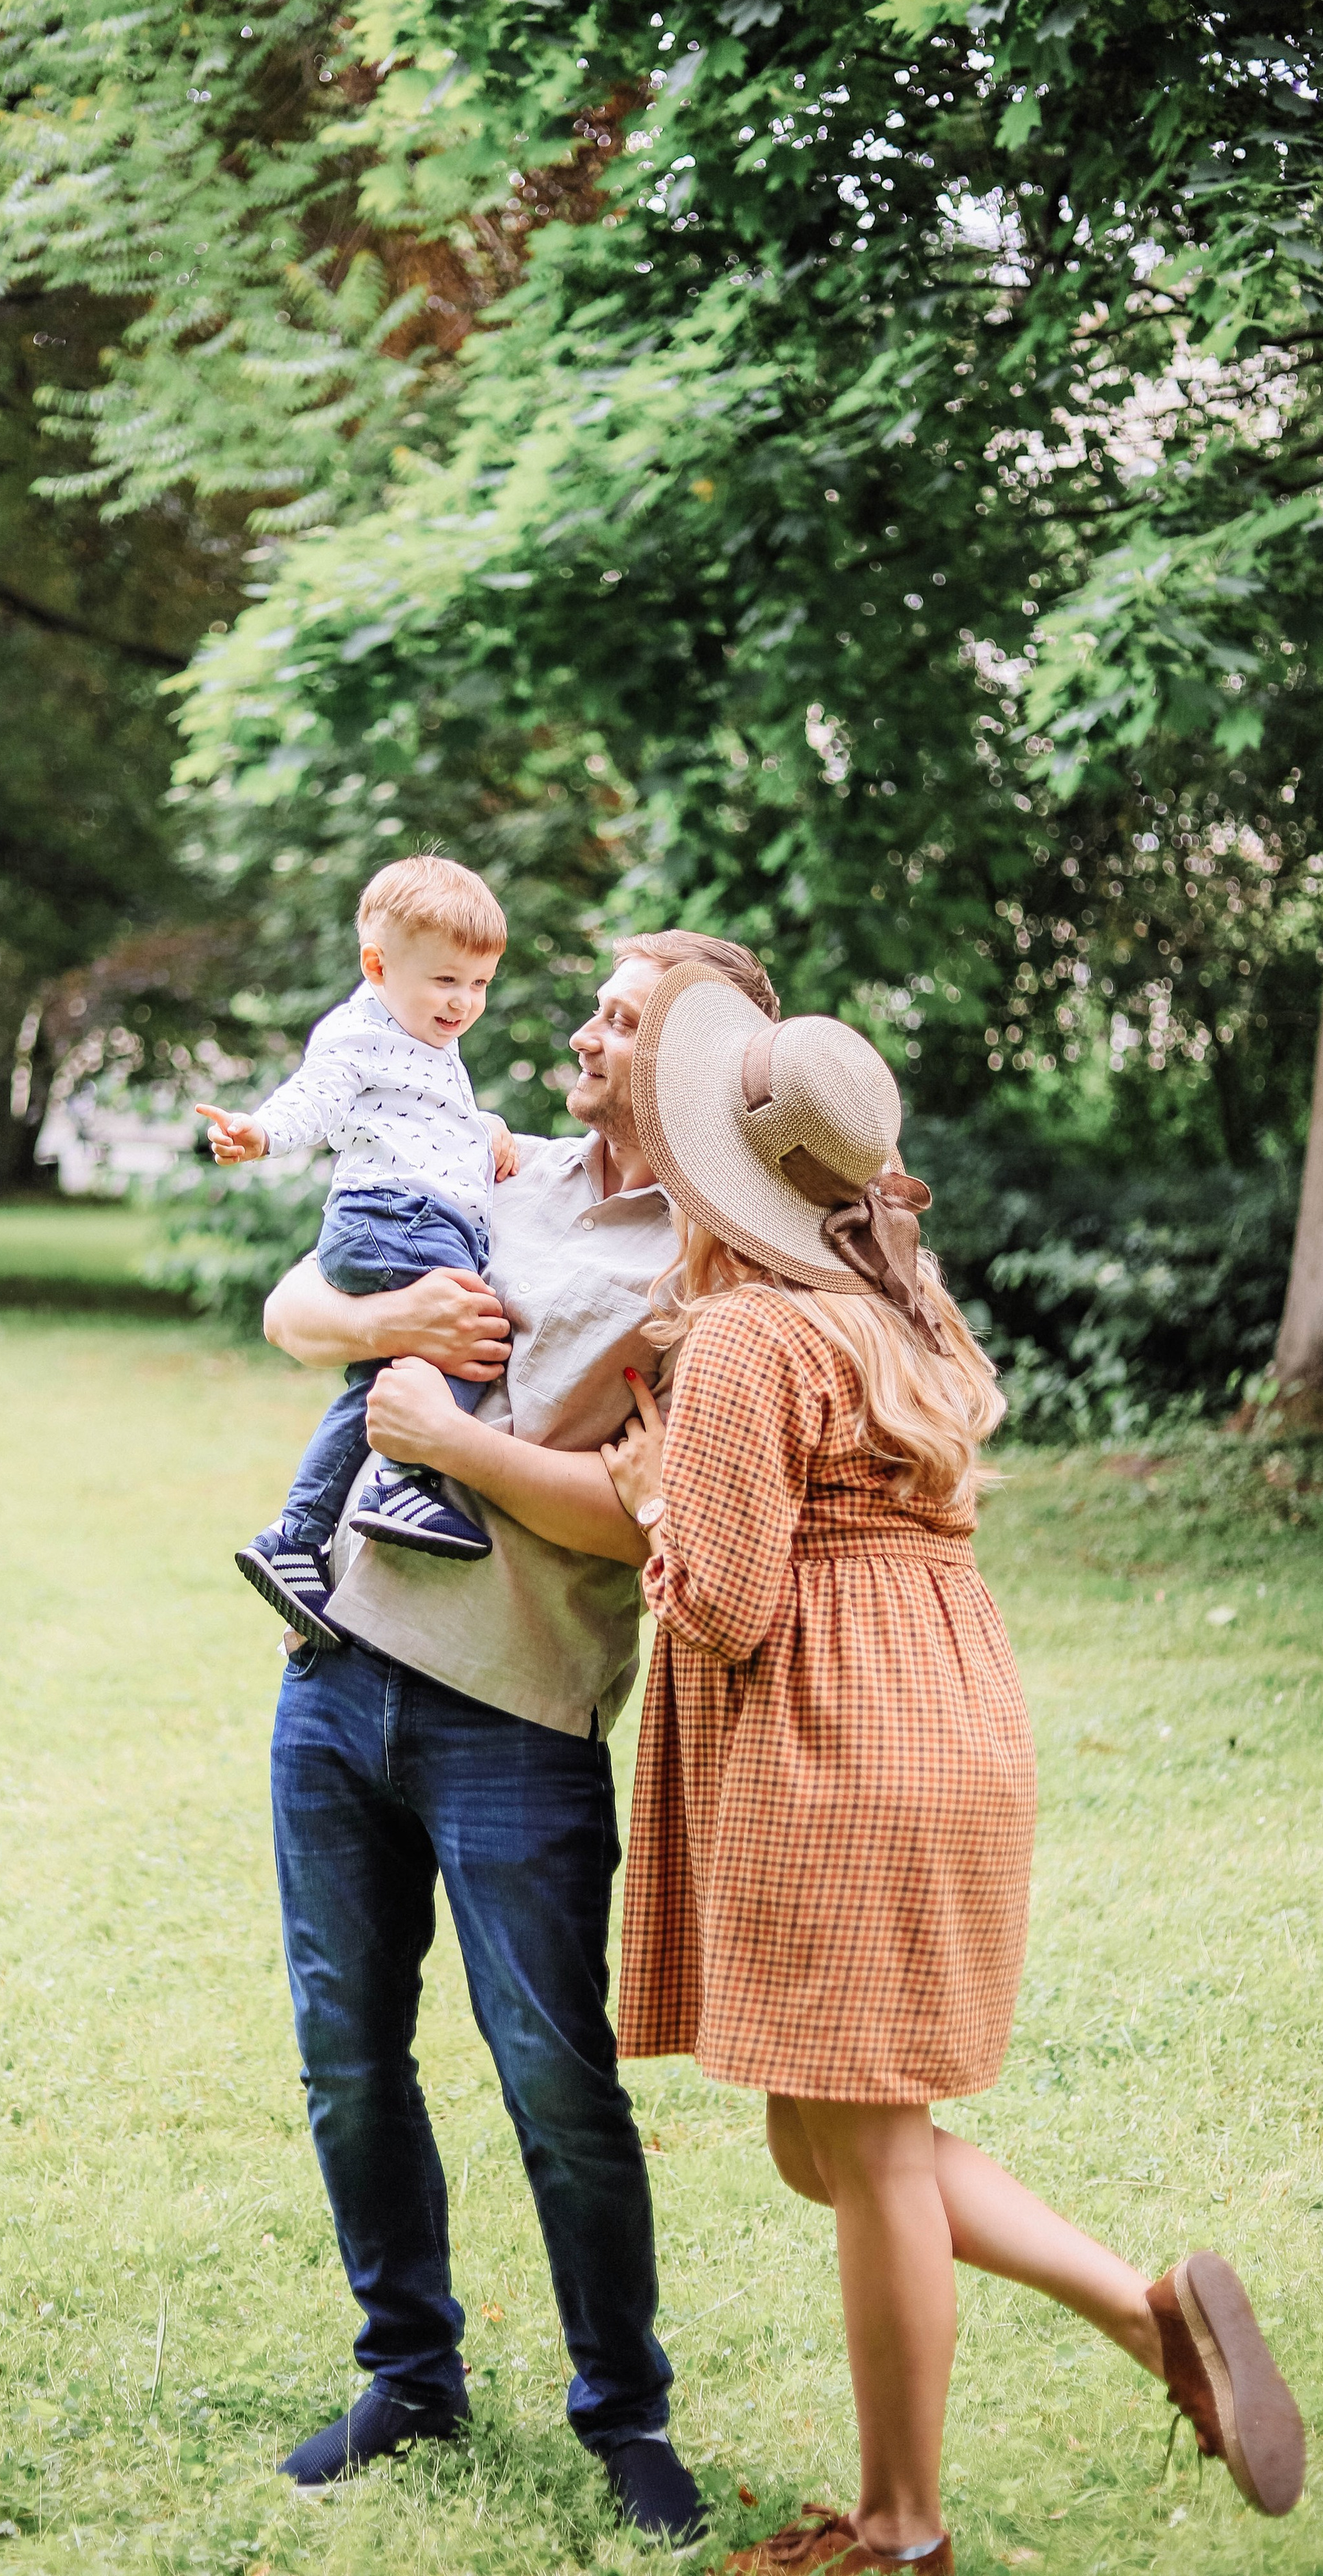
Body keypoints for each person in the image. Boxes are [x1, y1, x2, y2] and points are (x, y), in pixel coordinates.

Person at [597, 963, 1307, 2574]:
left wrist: (650, 1506)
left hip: (834, 1738)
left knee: (860, 2152)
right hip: (948, 1712)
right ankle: (1148, 2319)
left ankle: (901, 2528)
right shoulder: (899, 1305)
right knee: (831, 2141)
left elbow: (725, 1600)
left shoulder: (742, 1338)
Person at [258, 929, 781, 2548]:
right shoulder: (499, 1165)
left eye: (618, 1019)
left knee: (556, 2083)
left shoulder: (712, 1269)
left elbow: (661, 1531)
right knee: (347, 2060)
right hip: (334, 1669)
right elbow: (296, 1301)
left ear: (683, 1064)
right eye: (595, 1004)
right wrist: (377, 1333)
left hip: (517, 1720)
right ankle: (408, 2370)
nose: (580, 1032)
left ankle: (622, 2414)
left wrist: (444, 1445)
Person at [198, 857, 521, 1638]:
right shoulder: (358, 1031)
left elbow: (416, 1126)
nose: (464, 1003)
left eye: (478, 984)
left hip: (414, 1214)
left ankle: (295, 1538)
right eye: (446, 981)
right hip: (391, 1218)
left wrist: (483, 1133)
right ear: (378, 965)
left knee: (377, 1385)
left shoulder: (426, 1043)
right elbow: (316, 1098)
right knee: (469, 1334)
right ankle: (397, 1484)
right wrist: (261, 1133)